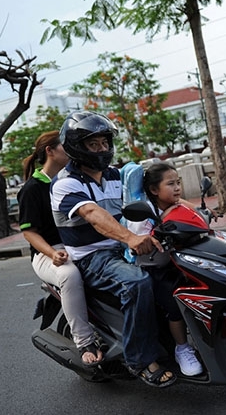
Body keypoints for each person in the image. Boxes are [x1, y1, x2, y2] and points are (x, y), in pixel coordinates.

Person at [50, 111, 176, 388]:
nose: (102, 149)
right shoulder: (66, 183)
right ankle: (139, 359)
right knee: (138, 282)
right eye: (93, 144)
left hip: (122, 248)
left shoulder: (116, 175)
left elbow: (158, 192)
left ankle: (180, 344)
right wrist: (129, 238)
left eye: (104, 143)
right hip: (93, 257)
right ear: (76, 146)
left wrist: (194, 213)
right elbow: (94, 214)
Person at [17, 130, 104, 366]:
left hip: (82, 244)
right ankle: (84, 340)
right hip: (51, 252)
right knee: (69, 274)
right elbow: (29, 232)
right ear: (50, 151)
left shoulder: (77, 178)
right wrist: (52, 253)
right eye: (66, 147)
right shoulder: (32, 189)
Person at [126, 162, 204, 377]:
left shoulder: (173, 203)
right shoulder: (143, 212)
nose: (177, 188)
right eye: (170, 184)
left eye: (178, 182)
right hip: (154, 268)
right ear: (154, 190)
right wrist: (151, 236)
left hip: (179, 261)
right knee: (174, 301)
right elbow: (140, 241)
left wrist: (204, 213)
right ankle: (182, 348)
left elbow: (191, 211)